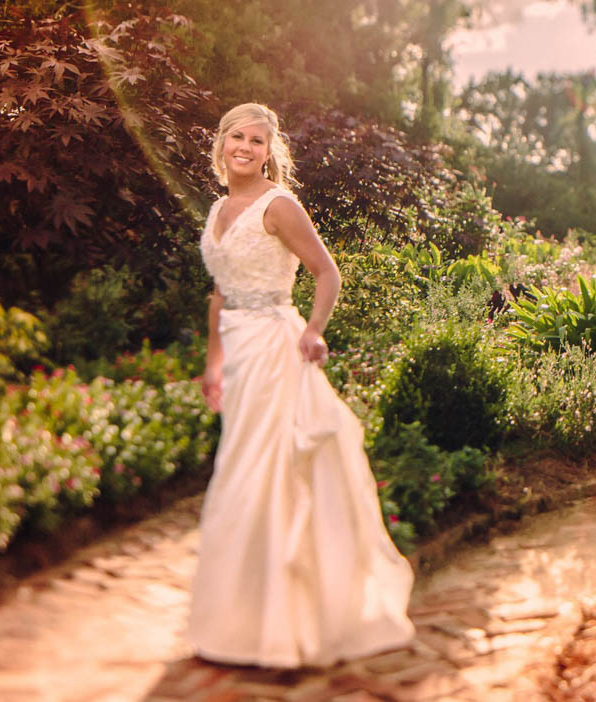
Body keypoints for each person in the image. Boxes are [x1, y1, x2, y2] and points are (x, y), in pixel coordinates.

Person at [186, 103, 415, 667]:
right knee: (236, 471)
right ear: (221, 144)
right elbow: (219, 292)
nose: (245, 146)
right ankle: (238, 619)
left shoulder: (278, 205)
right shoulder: (217, 207)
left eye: (258, 140)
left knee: (263, 472)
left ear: (269, 152)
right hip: (237, 354)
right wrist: (214, 363)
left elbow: (327, 271)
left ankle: (283, 624)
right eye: (237, 136)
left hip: (273, 348)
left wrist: (313, 329)